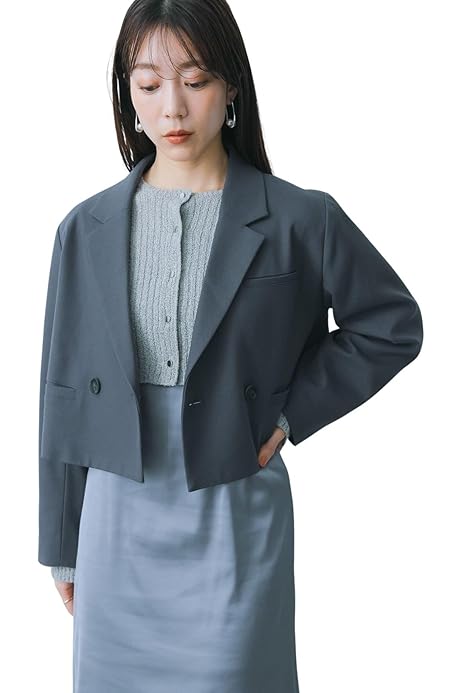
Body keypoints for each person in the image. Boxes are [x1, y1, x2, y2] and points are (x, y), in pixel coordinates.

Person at [38, 1, 423, 691]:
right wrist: (61, 546)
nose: (172, 106)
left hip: (233, 513)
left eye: (195, 79)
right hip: (114, 524)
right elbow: (62, 395)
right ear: (127, 93)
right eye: (148, 83)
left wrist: (291, 414)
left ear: (232, 84)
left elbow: (391, 324)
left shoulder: (300, 217)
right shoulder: (84, 227)